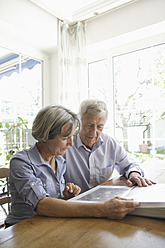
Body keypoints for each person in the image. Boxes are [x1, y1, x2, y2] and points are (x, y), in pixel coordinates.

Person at [5, 105, 140, 227]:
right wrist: (103, 209)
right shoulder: (21, 162)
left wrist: (65, 195)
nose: (71, 144)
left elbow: (52, 200)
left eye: (72, 136)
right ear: (45, 136)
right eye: (65, 138)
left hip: (51, 223)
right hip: (23, 229)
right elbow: (42, 205)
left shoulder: (58, 159)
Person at [64, 99, 155, 193]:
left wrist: (134, 174)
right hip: (75, 202)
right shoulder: (66, 144)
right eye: (89, 125)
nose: (94, 132)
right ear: (79, 121)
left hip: (103, 199)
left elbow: (130, 165)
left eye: (99, 126)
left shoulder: (110, 143)